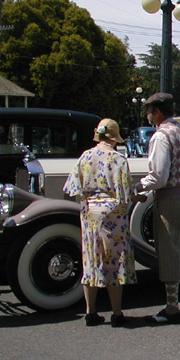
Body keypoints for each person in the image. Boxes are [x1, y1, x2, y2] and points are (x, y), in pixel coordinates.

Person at [63, 118, 139, 327]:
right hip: (112, 212)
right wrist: (137, 198)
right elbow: (125, 193)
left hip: (89, 211)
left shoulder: (86, 156)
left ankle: (90, 312)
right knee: (113, 259)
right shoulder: (118, 158)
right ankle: (116, 313)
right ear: (114, 138)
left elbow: (71, 187)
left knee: (91, 259)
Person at [135, 93, 180, 324]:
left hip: (171, 196)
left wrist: (138, 186)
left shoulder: (161, 136)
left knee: (170, 250)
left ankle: (172, 307)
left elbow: (159, 176)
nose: (148, 115)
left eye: (149, 111)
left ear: (158, 112)